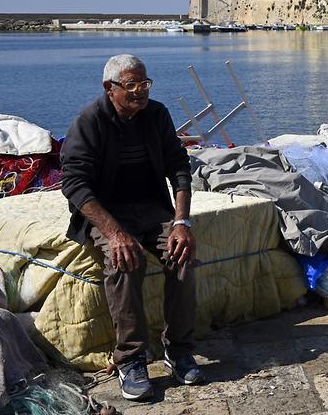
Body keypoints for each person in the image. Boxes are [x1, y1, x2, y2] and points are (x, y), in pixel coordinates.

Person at [61, 54, 204, 401]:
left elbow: (179, 167)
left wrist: (181, 222)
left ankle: (178, 349)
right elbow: (75, 183)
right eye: (131, 85)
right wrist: (113, 232)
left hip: (152, 208)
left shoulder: (157, 115)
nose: (140, 91)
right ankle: (130, 358)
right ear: (110, 89)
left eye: (144, 83)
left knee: (182, 254)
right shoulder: (90, 120)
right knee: (125, 259)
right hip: (107, 212)